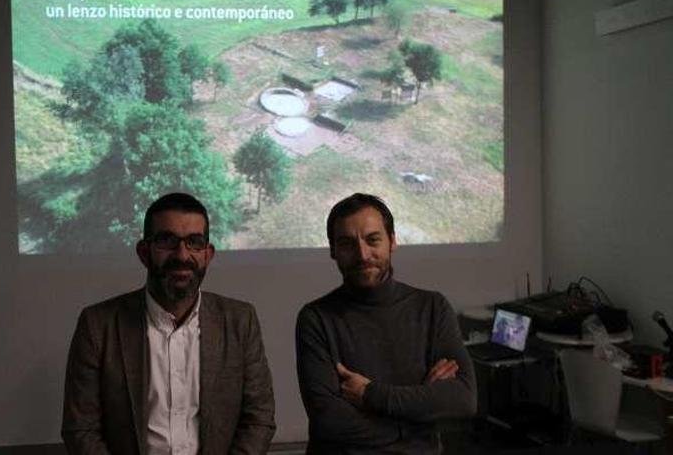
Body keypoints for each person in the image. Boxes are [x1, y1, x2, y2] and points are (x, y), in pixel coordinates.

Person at [62, 193, 276, 454]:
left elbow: (259, 419)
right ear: (144, 252)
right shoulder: (98, 325)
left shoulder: (240, 321)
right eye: (167, 241)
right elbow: (80, 428)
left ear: (208, 254)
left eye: (194, 242)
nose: (182, 255)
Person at [296, 193, 476, 454]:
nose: (362, 254)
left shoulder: (432, 307)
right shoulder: (316, 319)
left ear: (392, 241)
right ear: (333, 251)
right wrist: (419, 417)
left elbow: (463, 399)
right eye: (347, 243)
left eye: (373, 240)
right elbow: (330, 422)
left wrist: (370, 394)